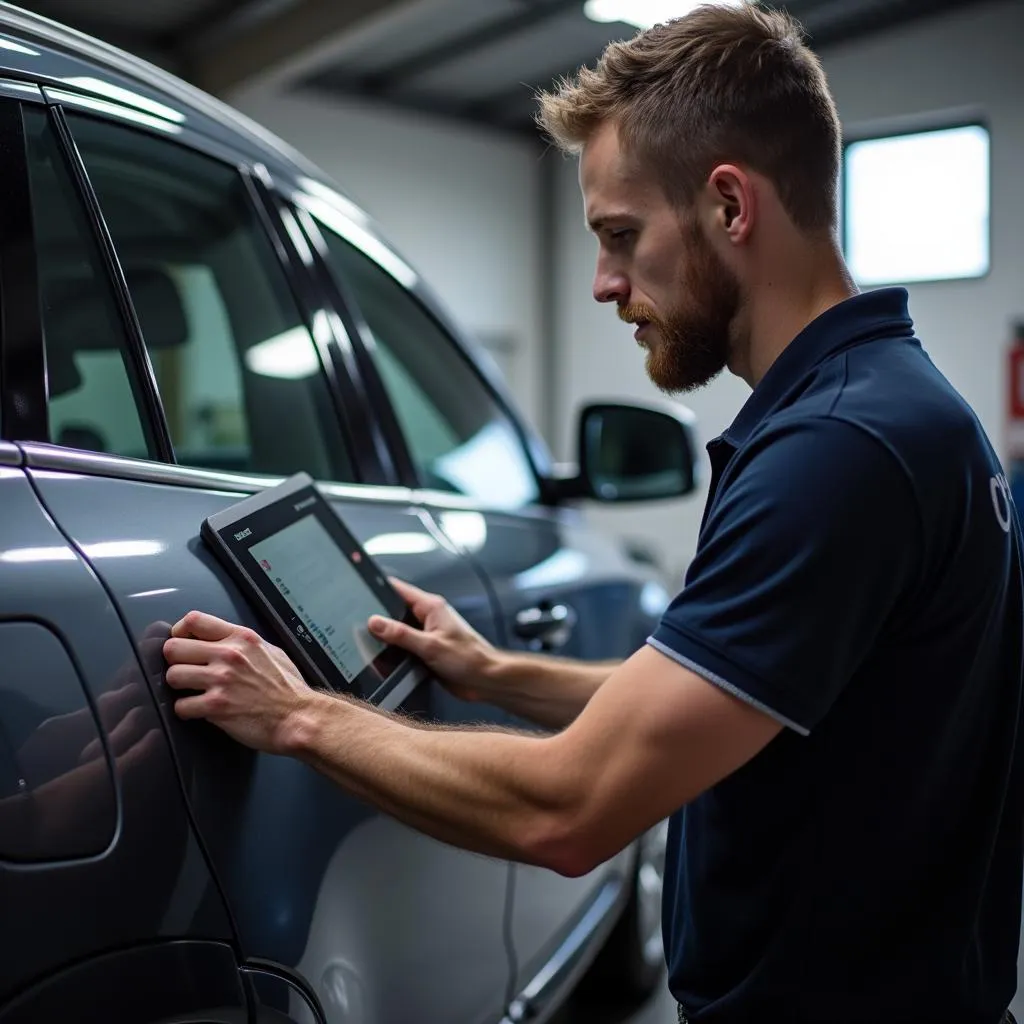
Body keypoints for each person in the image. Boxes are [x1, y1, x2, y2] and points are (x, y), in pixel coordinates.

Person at [162, 4, 1024, 1021]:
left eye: (621, 236)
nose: (607, 284)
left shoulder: (838, 449)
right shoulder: (886, 409)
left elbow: (568, 808)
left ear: (729, 206)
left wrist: (299, 713)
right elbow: (721, 693)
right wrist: (496, 672)